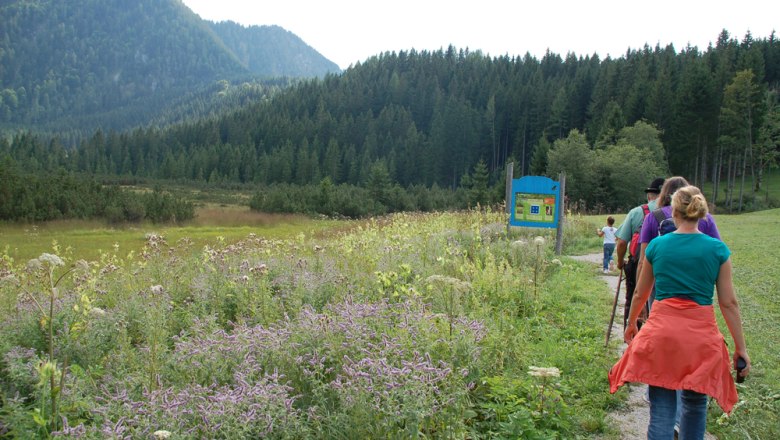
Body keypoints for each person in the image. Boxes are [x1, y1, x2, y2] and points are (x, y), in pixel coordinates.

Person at [609, 185, 750, 440]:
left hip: (661, 336)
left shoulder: (657, 247)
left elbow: (641, 294)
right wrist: (741, 348)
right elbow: (729, 303)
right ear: (702, 214)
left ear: (673, 212)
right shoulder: (718, 250)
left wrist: (632, 323)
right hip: (701, 341)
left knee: (662, 411)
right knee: (694, 406)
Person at [615, 177, 664, 328]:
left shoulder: (637, 212)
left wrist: (620, 262)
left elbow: (622, 241)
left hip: (638, 264)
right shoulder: (676, 212)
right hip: (664, 264)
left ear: (650, 195)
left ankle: (632, 336)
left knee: (634, 298)